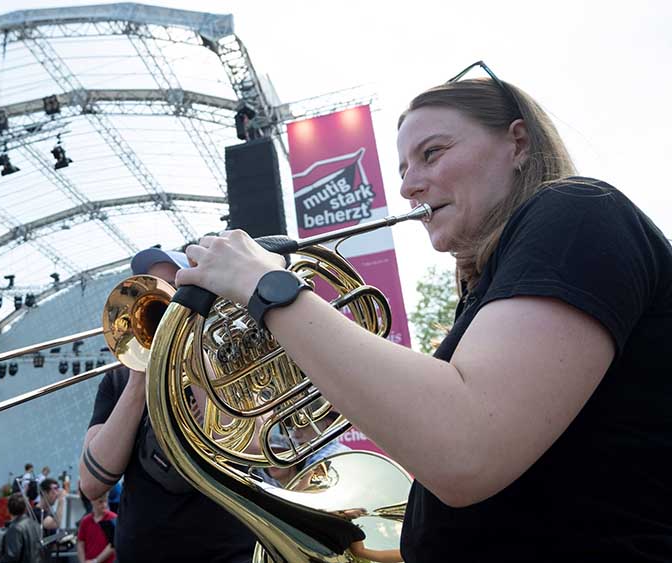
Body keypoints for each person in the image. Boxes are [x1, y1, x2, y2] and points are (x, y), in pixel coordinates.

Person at [176, 62, 672, 561]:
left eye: (432, 154)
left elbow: (468, 446)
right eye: (403, 171)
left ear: (517, 143)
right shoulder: (487, 284)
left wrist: (267, 288)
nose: (409, 187)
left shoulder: (578, 210)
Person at [79, 247, 256, 563]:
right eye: (148, 287)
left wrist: (193, 354)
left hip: (230, 552)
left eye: (171, 289)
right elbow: (92, 483)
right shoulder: (118, 382)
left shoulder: (229, 362)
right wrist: (138, 381)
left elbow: (250, 449)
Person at [0, 493, 45, 563]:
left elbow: (12, 556)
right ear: (25, 508)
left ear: (8, 510)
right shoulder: (36, 525)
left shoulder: (15, 528)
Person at [76, 496, 116, 563]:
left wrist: (96, 561)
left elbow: (113, 545)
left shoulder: (112, 518)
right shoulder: (85, 520)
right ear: (92, 501)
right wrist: (83, 561)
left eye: (106, 501)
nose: (104, 505)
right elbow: (80, 543)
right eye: (100, 502)